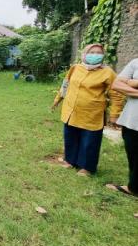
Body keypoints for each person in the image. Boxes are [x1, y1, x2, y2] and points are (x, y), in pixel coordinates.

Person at [52, 43, 124, 176]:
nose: (95, 55)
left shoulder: (108, 72)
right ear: (84, 54)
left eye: (99, 53)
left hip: (92, 113)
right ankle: (70, 161)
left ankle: (87, 167)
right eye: (92, 52)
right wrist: (58, 99)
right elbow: (66, 84)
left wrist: (115, 114)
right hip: (71, 111)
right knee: (70, 137)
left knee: (90, 141)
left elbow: (116, 94)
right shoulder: (75, 68)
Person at [105, 58, 138, 197]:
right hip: (132, 120)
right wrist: (133, 84)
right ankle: (134, 187)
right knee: (133, 154)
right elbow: (117, 84)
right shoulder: (135, 63)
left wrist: (131, 82)